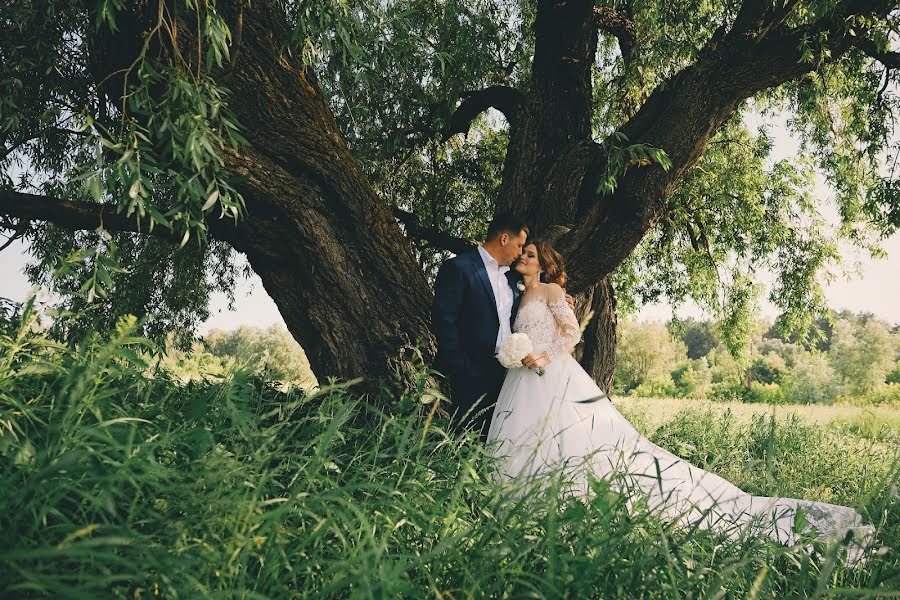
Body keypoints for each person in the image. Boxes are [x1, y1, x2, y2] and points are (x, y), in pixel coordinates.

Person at [486, 240, 873, 560]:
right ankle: (524, 501)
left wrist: (543, 356)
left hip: (551, 373)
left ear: (546, 264)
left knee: (571, 436)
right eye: (523, 253)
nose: (524, 256)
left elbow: (570, 335)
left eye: (531, 254)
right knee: (529, 436)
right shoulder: (520, 297)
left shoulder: (553, 292)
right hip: (522, 379)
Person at [432, 213, 528, 437]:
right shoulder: (459, 268)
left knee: (494, 440)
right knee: (463, 438)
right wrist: (459, 365)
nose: (520, 253)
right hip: (469, 372)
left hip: (505, 374)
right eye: (519, 245)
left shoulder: (513, 279)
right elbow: (444, 319)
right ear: (504, 239)